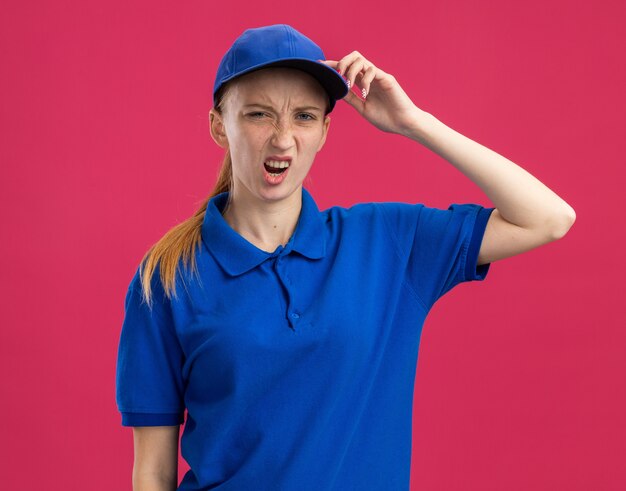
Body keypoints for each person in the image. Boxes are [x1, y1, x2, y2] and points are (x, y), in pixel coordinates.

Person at [115, 24, 575, 491]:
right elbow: (153, 472)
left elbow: (548, 218)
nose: (282, 139)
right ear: (219, 125)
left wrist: (414, 123)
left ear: (325, 131)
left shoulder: (388, 243)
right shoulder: (166, 279)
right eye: (259, 114)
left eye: (305, 117)